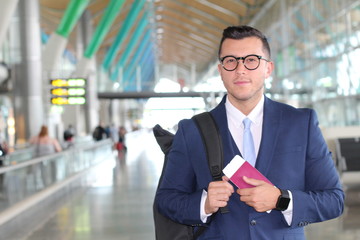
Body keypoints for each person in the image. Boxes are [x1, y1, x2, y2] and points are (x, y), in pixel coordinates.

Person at [155, 26, 344, 239]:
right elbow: (167, 200)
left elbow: (333, 200)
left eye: (251, 60)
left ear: (268, 68)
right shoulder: (193, 130)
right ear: (221, 70)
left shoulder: (301, 124)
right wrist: (204, 203)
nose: (240, 69)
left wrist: (280, 200)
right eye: (231, 61)